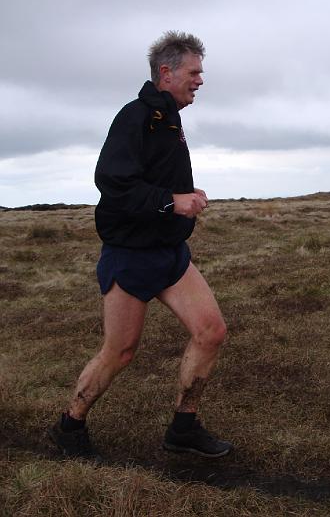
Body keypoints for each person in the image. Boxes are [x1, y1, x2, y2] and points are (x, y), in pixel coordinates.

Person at [48, 31, 232, 459]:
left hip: (170, 254)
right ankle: (70, 424)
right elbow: (113, 183)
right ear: (166, 73)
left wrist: (185, 198)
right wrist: (172, 200)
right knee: (121, 351)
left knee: (212, 332)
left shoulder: (170, 118)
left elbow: (156, 182)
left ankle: (183, 428)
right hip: (130, 255)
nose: (200, 80)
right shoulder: (135, 116)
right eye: (194, 71)